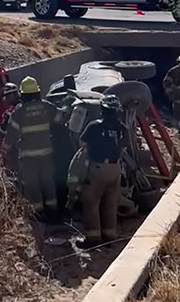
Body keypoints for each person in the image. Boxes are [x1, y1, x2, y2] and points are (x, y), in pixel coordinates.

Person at [75, 94, 128, 248]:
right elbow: (123, 148)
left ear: (102, 109)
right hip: (115, 169)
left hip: (98, 169)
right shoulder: (122, 128)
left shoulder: (94, 126)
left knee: (91, 202)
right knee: (110, 203)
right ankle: (110, 235)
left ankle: (93, 238)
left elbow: (81, 143)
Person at [3, 76, 59, 217]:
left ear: (23, 94)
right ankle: (53, 211)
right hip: (47, 154)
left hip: (28, 158)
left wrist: (3, 150)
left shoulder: (18, 113)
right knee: (48, 183)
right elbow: (61, 120)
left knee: (33, 186)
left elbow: (10, 138)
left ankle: (38, 214)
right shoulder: (47, 107)